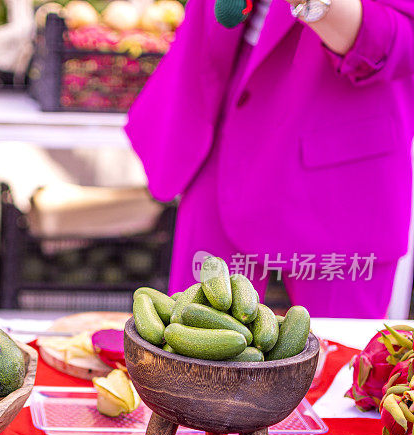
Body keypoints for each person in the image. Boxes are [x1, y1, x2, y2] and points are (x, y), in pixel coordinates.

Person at [125, 0, 414, 318]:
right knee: (195, 344)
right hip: (220, 119)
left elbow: (399, 41)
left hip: (339, 146)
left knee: (339, 353)